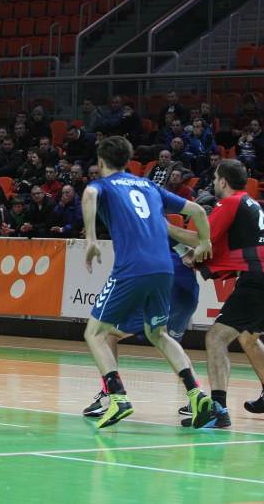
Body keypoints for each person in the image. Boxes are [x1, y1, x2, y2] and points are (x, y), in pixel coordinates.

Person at [81, 135, 214, 429]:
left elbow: (89, 195)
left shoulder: (104, 185)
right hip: (165, 268)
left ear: (100, 161)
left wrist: (91, 239)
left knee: (94, 333)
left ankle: (117, 397)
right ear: (128, 161)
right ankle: (196, 394)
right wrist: (205, 241)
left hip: (132, 268)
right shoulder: (149, 185)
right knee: (158, 334)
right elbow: (197, 211)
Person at [169, 159, 264, 429]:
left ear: (223, 181)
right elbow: (218, 245)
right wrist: (197, 256)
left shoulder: (230, 203)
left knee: (216, 338)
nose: (213, 183)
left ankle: (218, 409)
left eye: (215, 178)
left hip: (258, 280)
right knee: (248, 338)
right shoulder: (251, 203)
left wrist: (162, 226)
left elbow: (200, 238)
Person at [83, 233, 200, 418]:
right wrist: (183, 249)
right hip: (187, 286)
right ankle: (197, 397)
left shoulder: (131, 219)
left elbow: (156, 227)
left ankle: (111, 396)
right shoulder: (162, 225)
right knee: (167, 341)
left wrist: (90, 236)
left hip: (158, 276)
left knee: (105, 334)